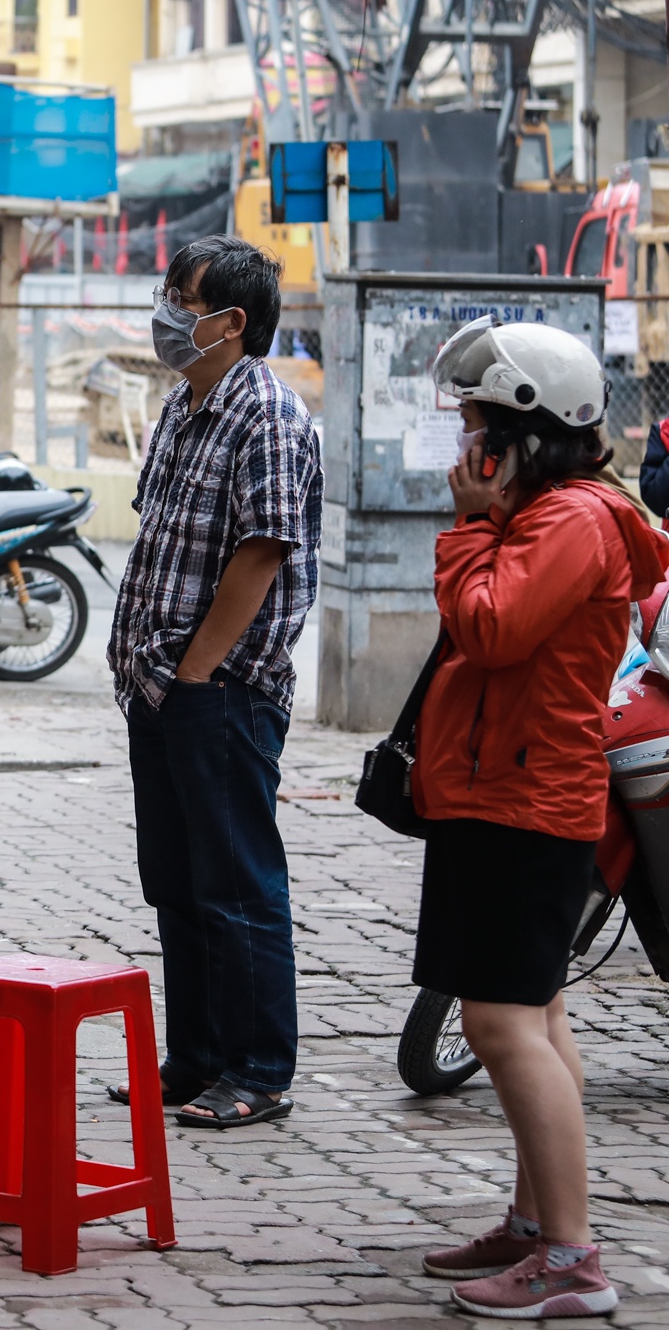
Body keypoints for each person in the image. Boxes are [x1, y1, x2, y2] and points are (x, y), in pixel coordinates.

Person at [409, 317, 660, 1320]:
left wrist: (468, 526)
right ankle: (532, 1223)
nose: (463, 448)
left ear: (520, 432)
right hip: (501, 791)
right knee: (535, 1012)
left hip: (522, 797)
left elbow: (488, 627)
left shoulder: (568, 523)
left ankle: (568, 1258)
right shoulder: (552, 514)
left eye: (474, 428)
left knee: (499, 1022)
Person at [105, 235, 320, 1129]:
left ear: (230, 321)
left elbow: (261, 551)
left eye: (180, 298)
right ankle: (192, 1061)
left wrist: (198, 672)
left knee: (237, 884)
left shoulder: (266, 412)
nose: (165, 311)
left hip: (220, 690)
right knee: (178, 882)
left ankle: (259, 1070)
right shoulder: (185, 404)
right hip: (158, 686)